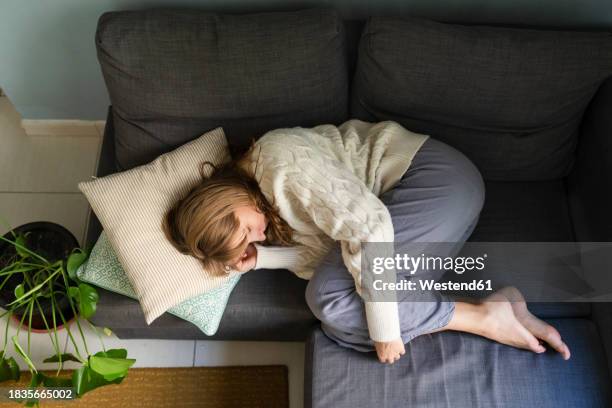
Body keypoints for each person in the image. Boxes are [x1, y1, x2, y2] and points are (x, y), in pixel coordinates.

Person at [161, 119, 571, 365]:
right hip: (422, 213)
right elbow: (333, 253)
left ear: (229, 199)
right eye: (249, 240)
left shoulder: (278, 165)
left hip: (432, 182)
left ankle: (482, 317)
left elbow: (369, 227)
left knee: (330, 300)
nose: (260, 234)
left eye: (247, 228)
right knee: (339, 322)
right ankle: (492, 311)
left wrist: (386, 329)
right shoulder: (263, 201)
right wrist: (262, 259)